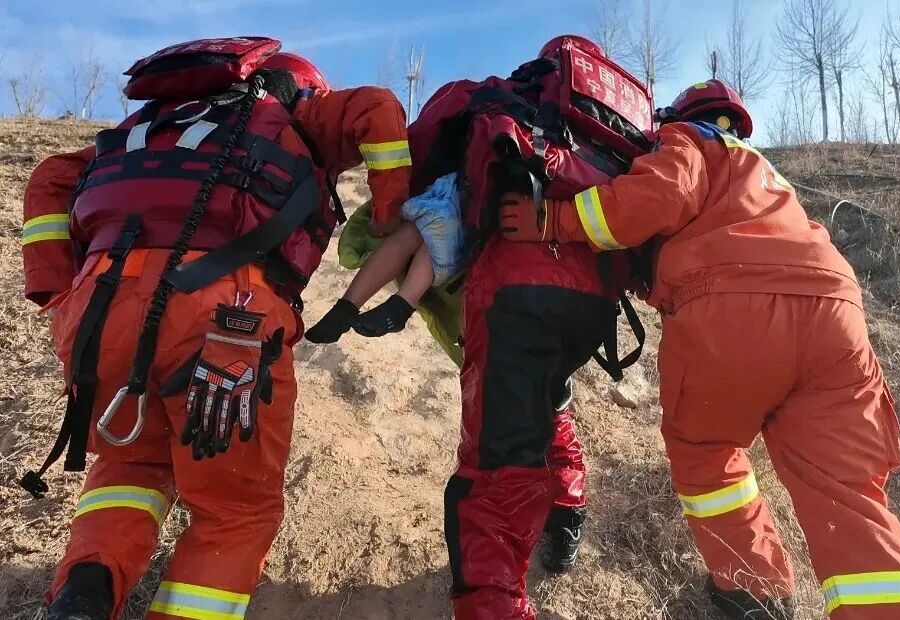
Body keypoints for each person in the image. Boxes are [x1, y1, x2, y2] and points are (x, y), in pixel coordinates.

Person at [498, 79, 900, 620]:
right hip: (836, 316)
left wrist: (554, 220)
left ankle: (752, 590)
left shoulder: (687, 140)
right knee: (848, 493)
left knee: (706, 451)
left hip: (733, 310)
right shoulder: (764, 171)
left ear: (679, 117)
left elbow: (657, 196)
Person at [20, 39, 411, 620]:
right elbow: (376, 106)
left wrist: (56, 287)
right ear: (299, 87)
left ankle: (84, 592)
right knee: (235, 510)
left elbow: (51, 176)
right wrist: (388, 215)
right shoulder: (297, 112)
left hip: (97, 315)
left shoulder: (146, 129)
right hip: (228, 315)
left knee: (129, 467)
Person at [409, 35, 654, 619]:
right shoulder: (624, 133)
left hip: (516, 289)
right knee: (551, 397)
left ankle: (495, 603)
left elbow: (426, 136)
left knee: (497, 466)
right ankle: (566, 513)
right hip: (594, 303)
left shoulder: (507, 92)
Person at [304, 173, 464, 343]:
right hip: (463, 184)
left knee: (438, 231)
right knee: (413, 229)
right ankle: (343, 310)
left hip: (473, 207)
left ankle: (400, 307)